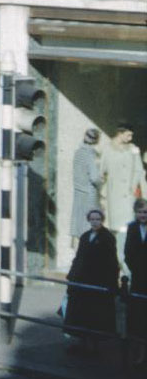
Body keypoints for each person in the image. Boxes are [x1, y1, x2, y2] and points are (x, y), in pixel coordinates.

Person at [63, 209, 119, 354]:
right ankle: (82, 343)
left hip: (98, 282)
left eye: (98, 219)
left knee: (95, 315)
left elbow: (112, 262)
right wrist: (71, 277)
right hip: (82, 281)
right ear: (89, 220)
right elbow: (78, 258)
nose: (95, 222)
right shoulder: (85, 236)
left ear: (102, 220)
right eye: (92, 219)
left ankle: (94, 346)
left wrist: (112, 283)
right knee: (80, 313)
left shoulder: (108, 237)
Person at [102, 123, 145, 233]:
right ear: (120, 133)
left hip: (128, 192)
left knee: (128, 225)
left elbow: (139, 170)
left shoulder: (133, 149)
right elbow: (102, 169)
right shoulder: (108, 148)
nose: (130, 138)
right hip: (114, 192)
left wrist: (133, 185)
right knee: (114, 225)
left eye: (131, 136)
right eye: (128, 135)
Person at [70, 128, 103, 248]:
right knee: (90, 226)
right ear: (96, 140)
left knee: (78, 225)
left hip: (78, 192)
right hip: (89, 194)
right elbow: (94, 178)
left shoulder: (78, 152)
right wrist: (102, 183)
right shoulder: (91, 155)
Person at [125, 198, 147, 365]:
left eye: (145, 212)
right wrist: (136, 270)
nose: (143, 215)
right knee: (138, 316)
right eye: (140, 212)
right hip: (138, 279)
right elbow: (128, 252)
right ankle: (138, 352)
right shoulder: (132, 228)